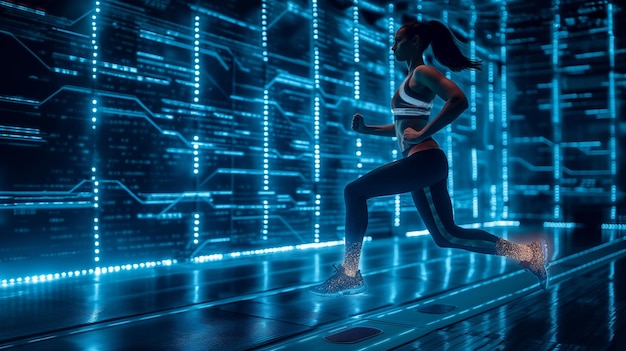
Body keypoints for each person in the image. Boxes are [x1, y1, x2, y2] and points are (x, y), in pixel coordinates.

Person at [309, 19, 549, 297]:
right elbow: (402, 129)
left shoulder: (422, 72)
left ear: (414, 42)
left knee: (354, 191)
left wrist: (423, 131)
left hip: (424, 161)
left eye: (398, 40)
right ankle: (527, 253)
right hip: (423, 163)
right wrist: (368, 129)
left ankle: (350, 273)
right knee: (446, 236)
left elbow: (458, 100)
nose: (392, 45)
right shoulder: (411, 79)